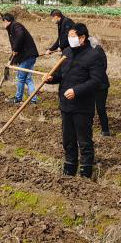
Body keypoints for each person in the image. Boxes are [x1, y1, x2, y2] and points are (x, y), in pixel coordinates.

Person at [44, 22, 107, 178]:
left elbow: (96, 81)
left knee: (84, 140)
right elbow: (61, 74)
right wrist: (51, 78)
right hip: (66, 104)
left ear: (82, 38)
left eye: (72, 36)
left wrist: (76, 91)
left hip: (82, 106)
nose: (69, 39)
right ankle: (69, 168)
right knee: (68, 139)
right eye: (68, 36)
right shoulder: (67, 52)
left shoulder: (94, 55)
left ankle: (85, 171)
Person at [1, 12, 39, 104]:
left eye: (3, 21)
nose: (3, 24)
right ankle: (33, 100)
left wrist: (15, 49)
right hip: (29, 56)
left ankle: (18, 99)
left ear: (7, 21)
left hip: (27, 57)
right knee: (28, 79)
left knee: (21, 78)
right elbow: (17, 45)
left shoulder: (16, 25)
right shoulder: (12, 28)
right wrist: (12, 59)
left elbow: (20, 36)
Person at [89, 32, 112, 137]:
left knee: (100, 108)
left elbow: (102, 68)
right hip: (92, 84)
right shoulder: (93, 51)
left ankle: (105, 130)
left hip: (100, 85)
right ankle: (88, 127)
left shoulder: (97, 52)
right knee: (91, 108)